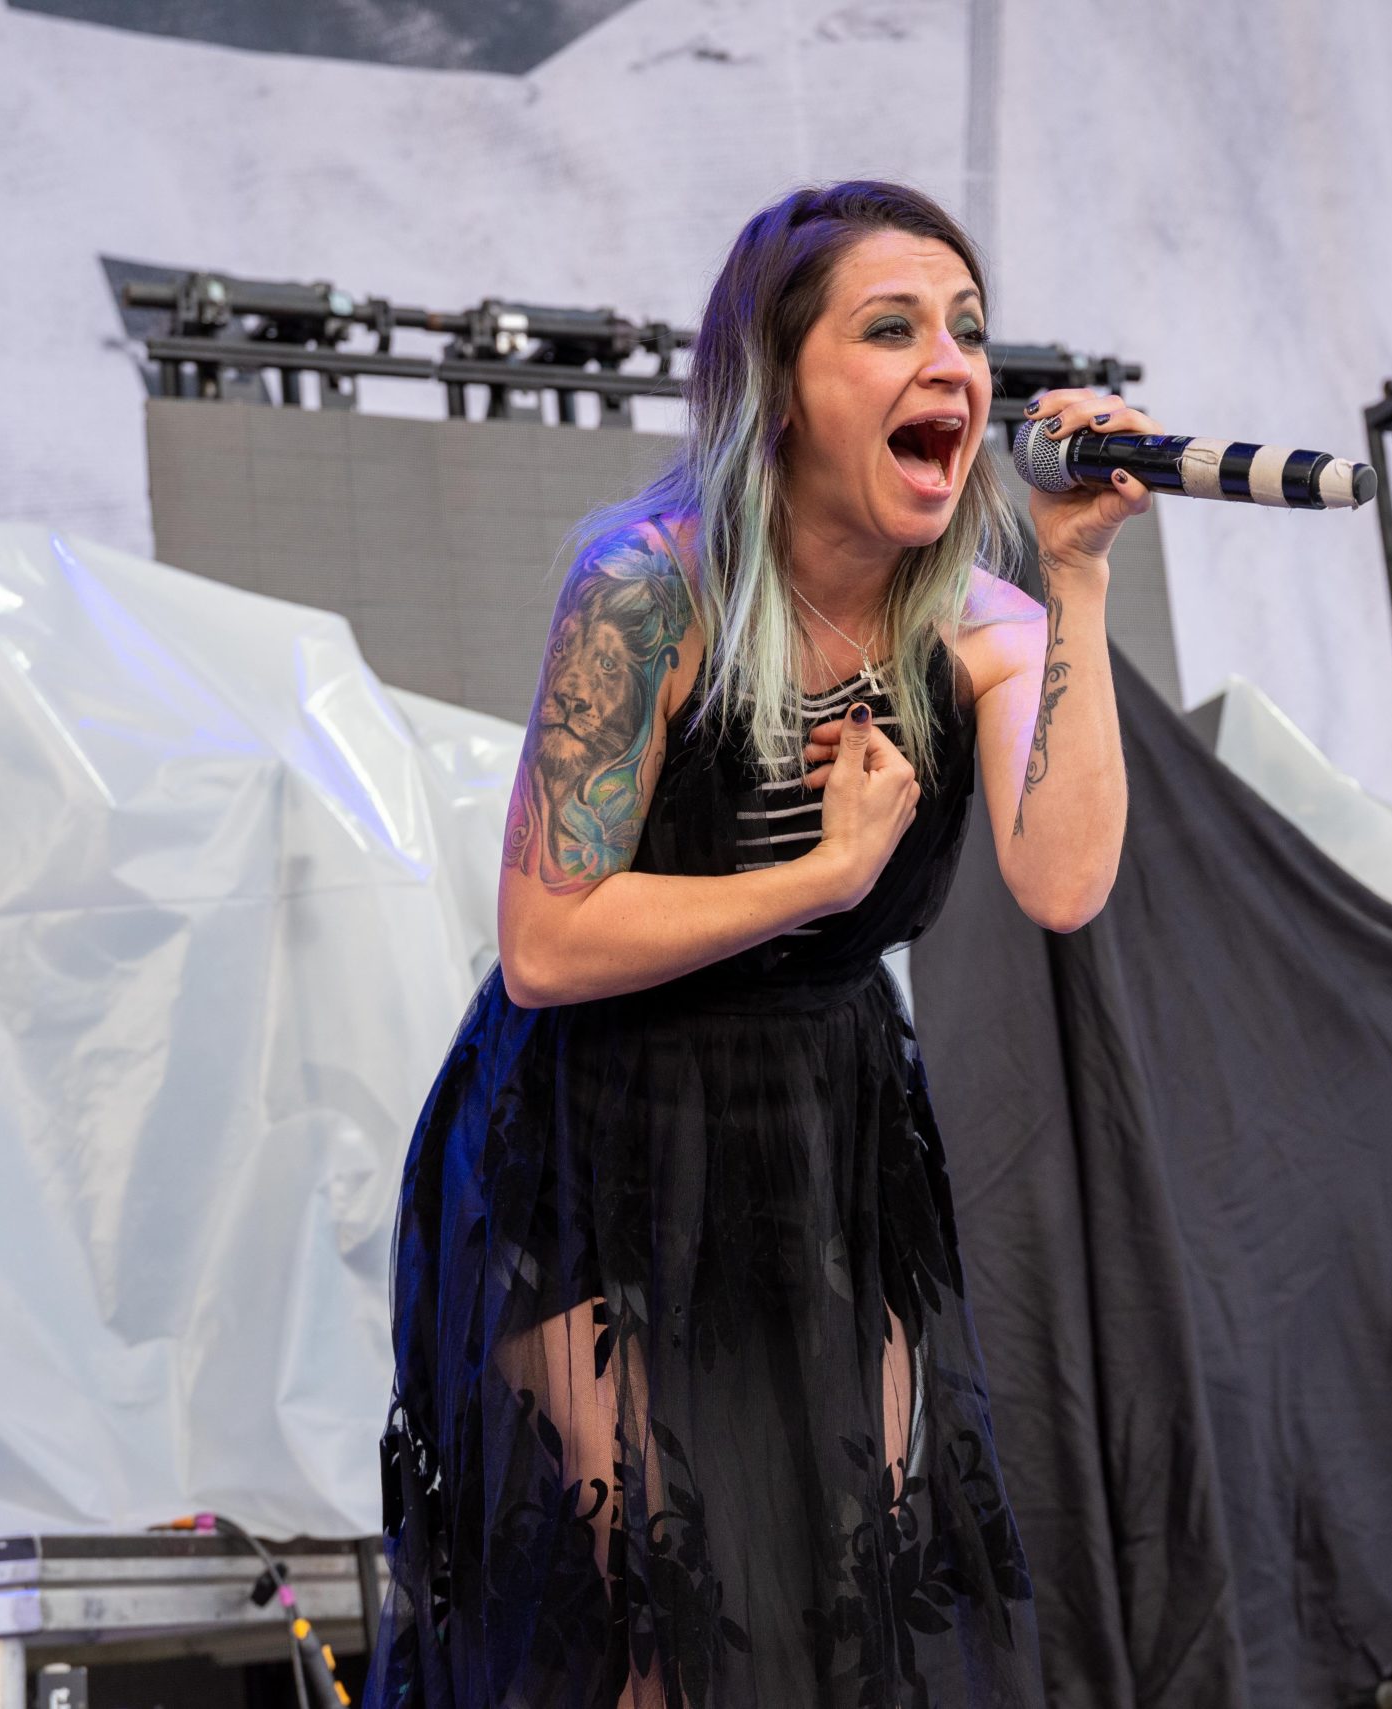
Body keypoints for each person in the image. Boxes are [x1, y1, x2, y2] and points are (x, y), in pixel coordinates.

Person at [368, 179, 1147, 1708]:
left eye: (967, 330)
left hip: (822, 1132)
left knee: (833, 1612)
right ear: (778, 385)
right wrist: (823, 874)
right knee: (663, 1618)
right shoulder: (650, 589)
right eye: (892, 329)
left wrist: (1076, 575)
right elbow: (545, 938)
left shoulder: (985, 623)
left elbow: (1064, 882)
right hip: (597, 1132)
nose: (950, 363)